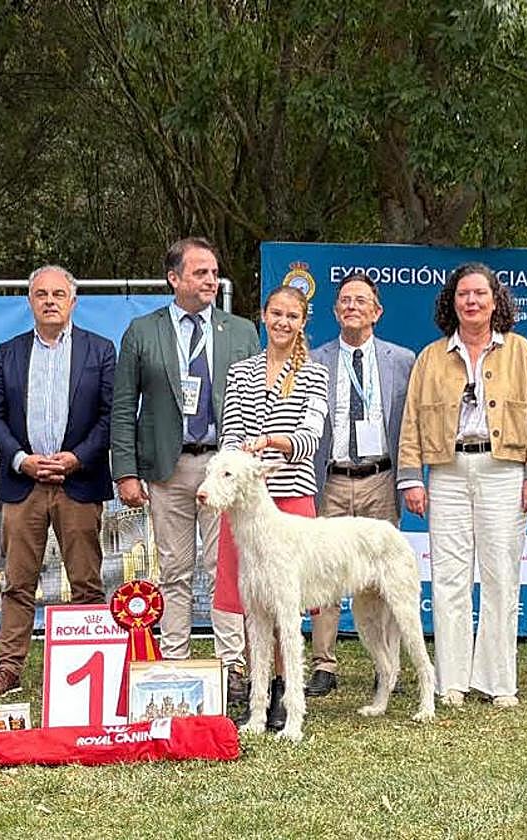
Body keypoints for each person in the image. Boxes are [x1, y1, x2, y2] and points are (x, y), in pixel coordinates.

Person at [111, 237, 260, 706]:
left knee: (223, 570)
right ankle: (174, 663)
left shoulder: (241, 332)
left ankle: (232, 666)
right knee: (174, 569)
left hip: (224, 469)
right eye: (200, 273)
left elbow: (257, 404)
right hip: (167, 467)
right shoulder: (142, 331)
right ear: (174, 278)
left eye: (214, 272)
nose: (211, 280)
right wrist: (126, 472)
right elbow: (123, 407)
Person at [398, 262, 527, 708]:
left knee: (501, 575)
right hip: (447, 471)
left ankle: (498, 682)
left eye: (480, 293)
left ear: (495, 300)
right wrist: (412, 478)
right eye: (463, 294)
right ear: (452, 302)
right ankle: (452, 681)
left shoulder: (520, 351)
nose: (471, 301)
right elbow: (411, 420)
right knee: (449, 577)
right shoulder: (431, 357)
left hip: (503, 469)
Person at [0, 265, 116, 696]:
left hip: (80, 482)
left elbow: (110, 416)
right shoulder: (8, 353)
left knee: (86, 583)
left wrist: (77, 458)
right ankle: (8, 669)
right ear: (30, 301)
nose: (50, 301)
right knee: (17, 583)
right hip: (24, 485)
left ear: (73, 301)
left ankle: (89, 674)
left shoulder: (100, 350)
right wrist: (22, 460)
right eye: (42, 294)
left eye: (59, 294)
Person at [214, 285, 328, 729]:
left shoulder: (314, 375)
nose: (283, 322)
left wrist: (269, 444)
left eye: (292, 316)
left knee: (286, 603)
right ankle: (257, 691)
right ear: (263, 316)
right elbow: (230, 432)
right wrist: (239, 462)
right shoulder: (241, 372)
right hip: (244, 501)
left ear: (302, 323)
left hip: (291, 494)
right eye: (276, 313)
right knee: (253, 601)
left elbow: (309, 438)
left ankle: (285, 687)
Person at [307, 273, 416, 698]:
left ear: (377, 311)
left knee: (383, 579)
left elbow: (410, 425)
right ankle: (323, 663)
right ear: (335, 311)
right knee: (325, 572)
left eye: (361, 301)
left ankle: (386, 667)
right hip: (331, 478)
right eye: (345, 301)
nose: (352, 306)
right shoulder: (314, 360)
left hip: (380, 478)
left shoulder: (402, 360)